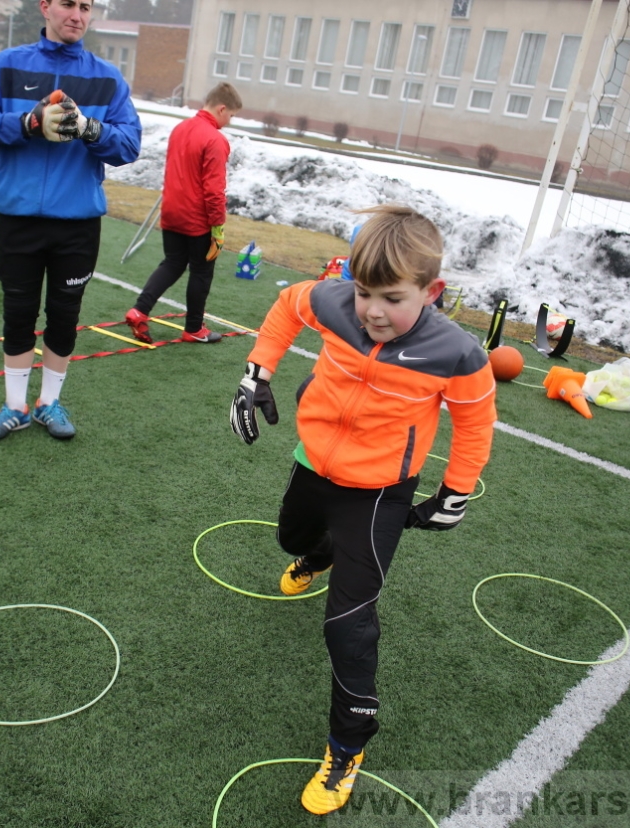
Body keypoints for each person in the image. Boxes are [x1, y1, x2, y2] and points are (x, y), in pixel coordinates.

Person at [228, 205, 496, 815]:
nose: (373, 310)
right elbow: (288, 306)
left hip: (379, 492)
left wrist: (456, 489)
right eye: (364, 291)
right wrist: (255, 374)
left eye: (393, 298)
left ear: (433, 292)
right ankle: (318, 551)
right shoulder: (334, 302)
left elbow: (477, 422)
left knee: (348, 624)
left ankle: (347, 746)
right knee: (291, 536)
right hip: (314, 461)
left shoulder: (456, 352)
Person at [0, 0, 141, 441]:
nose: (77, 15)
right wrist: (27, 121)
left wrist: (88, 128)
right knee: (18, 313)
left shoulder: (107, 77)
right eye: (68, 4)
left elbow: (129, 145)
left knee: (64, 316)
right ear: (45, 7)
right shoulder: (8, 64)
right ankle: (14, 407)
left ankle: (49, 403)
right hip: (19, 218)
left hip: (77, 223)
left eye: (86, 6)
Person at [124, 83, 242, 345]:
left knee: (173, 262)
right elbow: (214, 190)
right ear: (222, 108)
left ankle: (139, 310)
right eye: (231, 115)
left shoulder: (180, 129)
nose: (230, 121)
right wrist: (218, 228)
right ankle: (194, 328)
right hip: (196, 218)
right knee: (201, 270)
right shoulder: (215, 139)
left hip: (171, 212)